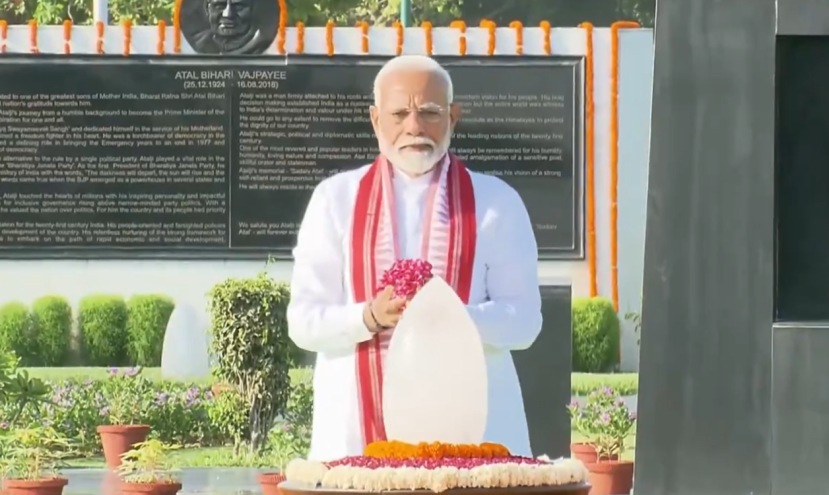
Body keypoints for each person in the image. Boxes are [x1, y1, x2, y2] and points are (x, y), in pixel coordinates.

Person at [287, 55, 543, 462]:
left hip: (476, 430)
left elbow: (525, 322)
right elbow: (303, 322)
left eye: (429, 112)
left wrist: (448, 315)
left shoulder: (496, 203)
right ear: (374, 120)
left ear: (453, 117)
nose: (414, 126)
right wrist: (369, 317)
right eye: (399, 112)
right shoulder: (334, 200)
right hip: (354, 428)